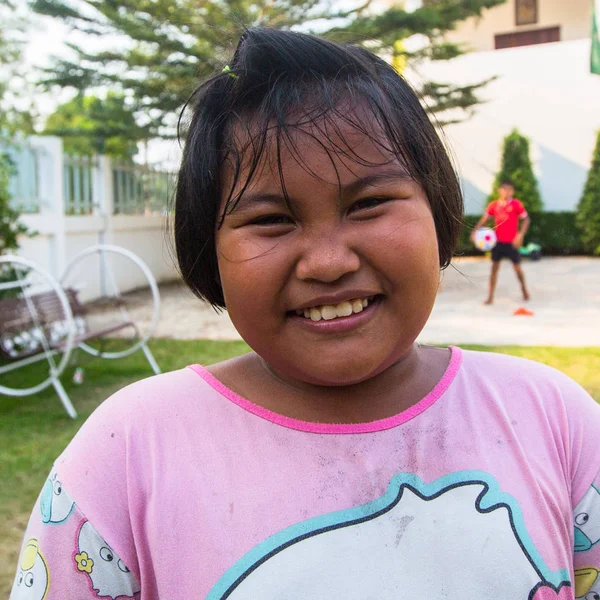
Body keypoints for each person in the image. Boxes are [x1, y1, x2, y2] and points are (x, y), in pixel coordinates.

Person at [10, 28, 600, 600]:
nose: (327, 262)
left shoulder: (558, 422)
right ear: (208, 249)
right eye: (270, 219)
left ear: (439, 207)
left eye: (368, 204)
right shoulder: (125, 457)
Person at [471, 181, 531, 305]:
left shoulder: (516, 204)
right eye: (505, 189)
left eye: (510, 190)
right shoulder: (494, 205)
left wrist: (520, 235)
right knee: (494, 269)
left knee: (518, 269)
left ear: (512, 192)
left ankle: (524, 290)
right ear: (500, 190)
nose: (507, 192)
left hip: (511, 243)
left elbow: (526, 220)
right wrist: (475, 231)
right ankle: (490, 296)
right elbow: (485, 219)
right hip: (497, 243)